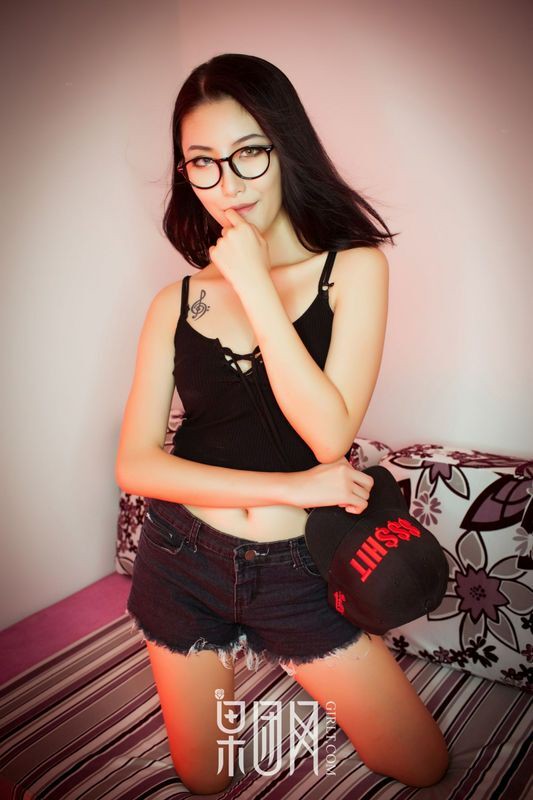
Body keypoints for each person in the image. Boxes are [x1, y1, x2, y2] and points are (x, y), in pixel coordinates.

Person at [115, 53, 449, 794]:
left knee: (422, 765)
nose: (227, 184)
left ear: (285, 146)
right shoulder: (173, 303)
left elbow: (329, 436)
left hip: (296, 568)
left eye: (248, 153)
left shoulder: (354, 269)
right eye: (202, 162)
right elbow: (135, 465)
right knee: (205, 778)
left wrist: (255, 284)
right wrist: (295, 488)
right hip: (181, 556)